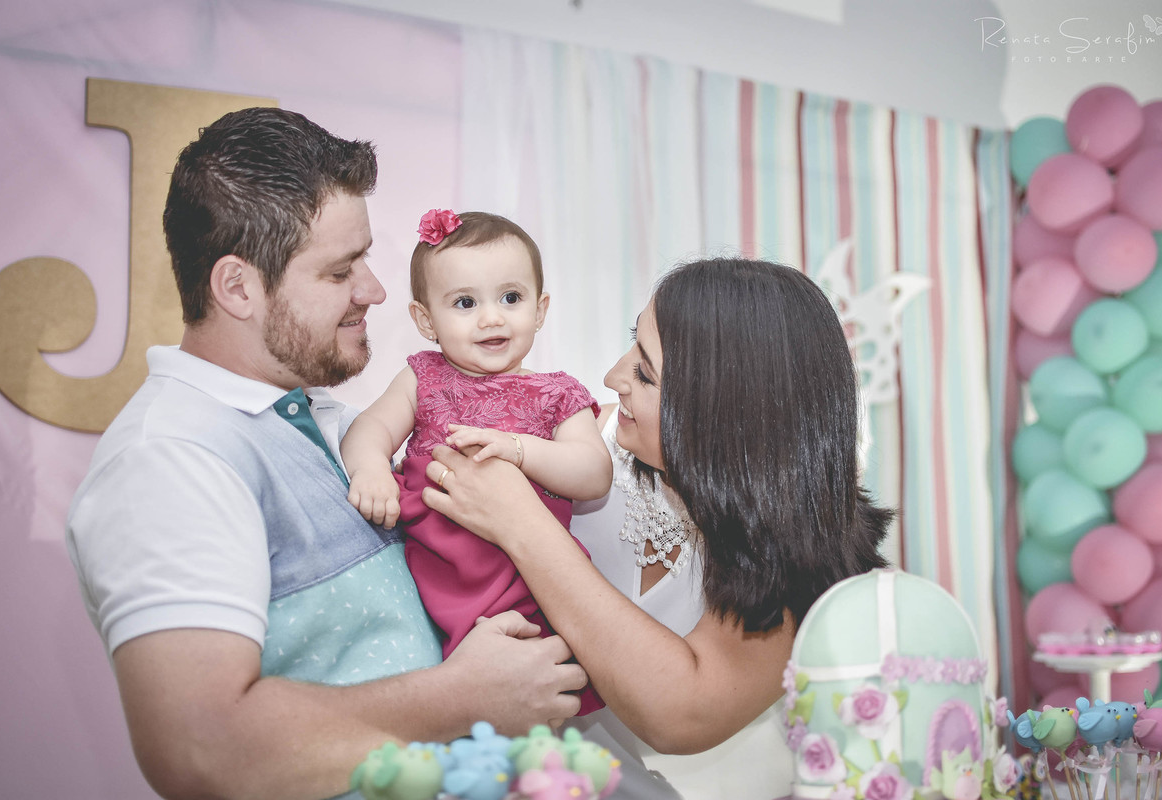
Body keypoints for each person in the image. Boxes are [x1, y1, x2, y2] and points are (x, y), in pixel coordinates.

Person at [64, 107, 585, 800]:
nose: (373, 290)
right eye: (342, 271)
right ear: (238, 288)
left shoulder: (326, 420)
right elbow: (198, 749)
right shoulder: (169, 458)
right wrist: (461, 696)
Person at [422, 257, 893, 799]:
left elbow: (681, 712)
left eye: (645, 373)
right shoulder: (569, 450)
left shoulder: (801, 552)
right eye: (633, 344)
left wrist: (524, 526)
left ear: (721, 413)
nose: (611, 377)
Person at [339, 209, 611, 713]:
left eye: (511, 298)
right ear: (425, 320)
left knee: (537, 685)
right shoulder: (424, 378)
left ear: (540, 308)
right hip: (437, 573)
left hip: (525, 579)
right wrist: (372, 467)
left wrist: (519, 450)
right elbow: (368, 429)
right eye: (465, 303)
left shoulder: (558, 394)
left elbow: (595, 473)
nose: (491, 317)